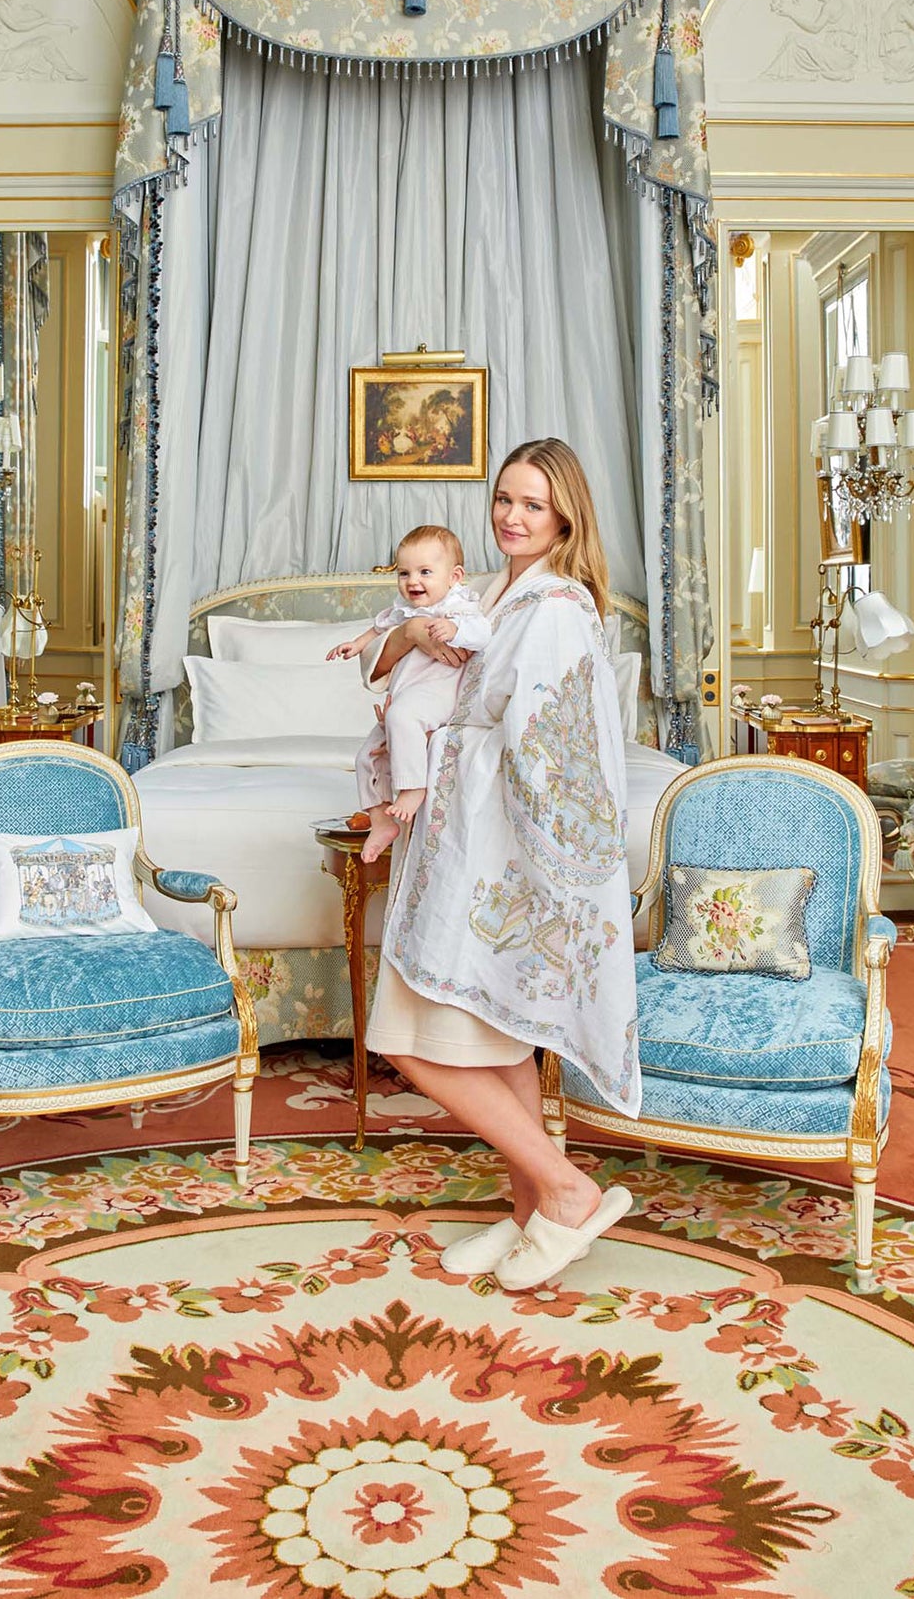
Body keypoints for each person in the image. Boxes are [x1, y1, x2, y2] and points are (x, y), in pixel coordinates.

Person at [365, 439, 640, 1292]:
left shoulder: (553, 607)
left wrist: (447, 751)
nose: (512, 518)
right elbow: (395, 665)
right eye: (503, 499)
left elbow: (549, 745)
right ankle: (530, 1212)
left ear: (564, 518)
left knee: (411, 1040)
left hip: (493, 842)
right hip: (460, 832)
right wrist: (410, 634)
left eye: (532, 505)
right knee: (496, 1042)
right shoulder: (484, 592)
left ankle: (564, 1191)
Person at [329, 525, 491, 864]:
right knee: (366, 757)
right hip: (406, 697)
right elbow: (377, 631)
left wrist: (455, 629)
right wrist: (355, 645)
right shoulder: (404, 611)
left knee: (403, 718)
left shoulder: (457, 606)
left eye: (425, 572)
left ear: (454, 576)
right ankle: (381, 821)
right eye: (404, 573)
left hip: (437, 694)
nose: (412, 581)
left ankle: (413, 788)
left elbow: (481, 634)